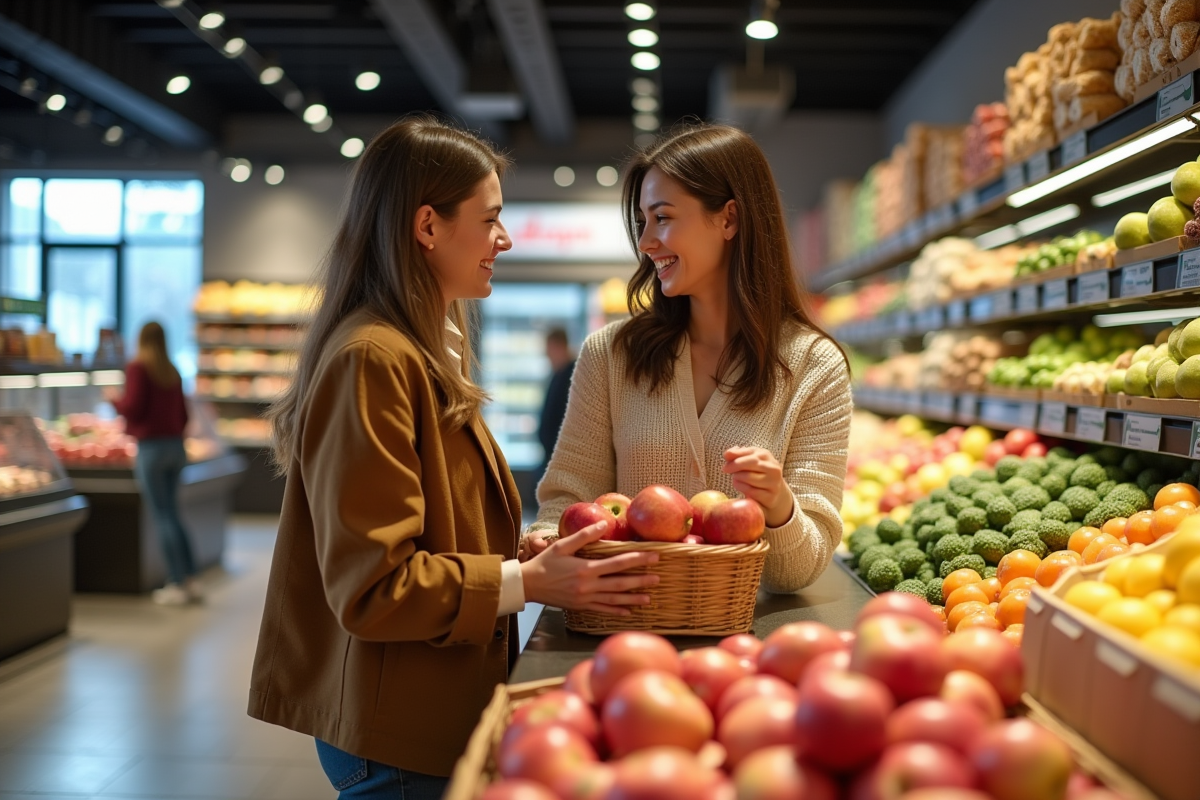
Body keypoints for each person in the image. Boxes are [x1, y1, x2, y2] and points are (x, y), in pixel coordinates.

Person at [246, 116, 660, 800]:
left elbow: (427, 523)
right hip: (397, 737)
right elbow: (374, 587)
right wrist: (527, 586)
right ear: (428, 227)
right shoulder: (373, 360)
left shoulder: (421, 345)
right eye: (491, 218)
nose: (505, 238)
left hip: (419, 709)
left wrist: (514, 560)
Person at [527, 123, 852, 594]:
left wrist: (779, 505)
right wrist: (544, 538)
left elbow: (797, 574)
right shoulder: (611, 355)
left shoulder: (813, 366)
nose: (645, 243)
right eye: (643, 222)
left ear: (729, 219)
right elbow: (567, 498)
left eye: (662, 218)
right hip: (622, 626)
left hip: (744, 640)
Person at [106, 321, 198, 606]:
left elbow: (133, 408)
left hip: (151, 450)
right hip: (175, 448)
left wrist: (113, 401)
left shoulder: (138, 368)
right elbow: (185, 415)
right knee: (174, 512)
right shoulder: (173, 370)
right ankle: (192, 578)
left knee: (162, 515)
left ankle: (176, 583)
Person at [536, 327, 575, 476]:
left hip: (560, 460)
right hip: (551, 457)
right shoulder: (558, 374)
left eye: (549, 349)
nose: (547, 355)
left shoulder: (571, 376)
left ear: (559, 347)